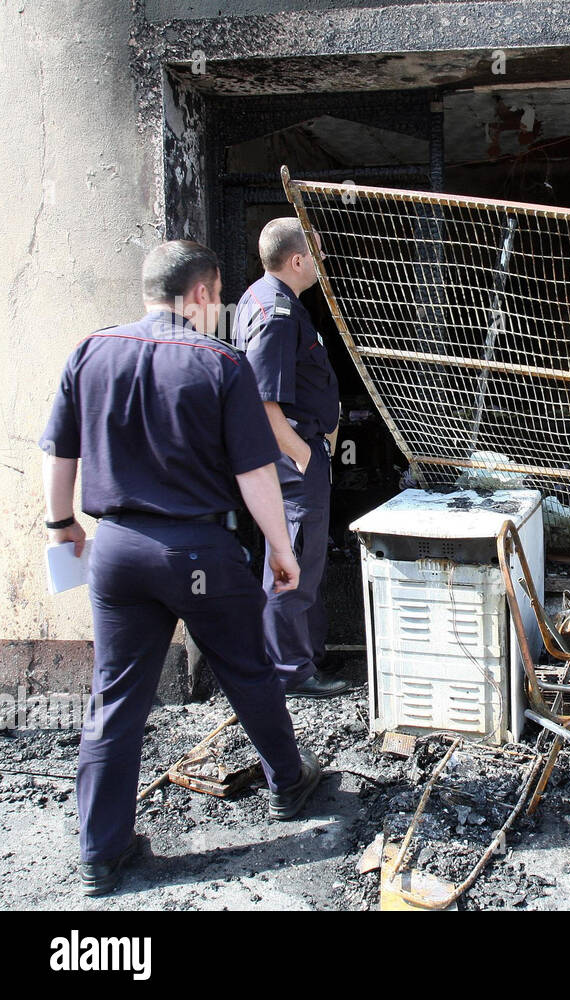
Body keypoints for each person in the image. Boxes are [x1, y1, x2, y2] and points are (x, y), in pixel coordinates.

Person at [40, 240, 323, 897]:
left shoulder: (89, 351)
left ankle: (101, 853)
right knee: (247, 670)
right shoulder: (219, 363)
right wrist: (282, 551)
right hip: (199, 555)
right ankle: (289, 782)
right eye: (217, 296)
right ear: (201, 292)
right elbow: (255, 472)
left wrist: (61, 527)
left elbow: (61, 451)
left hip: (117, 551)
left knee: (115, 697)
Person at [234, 219, 346, 698]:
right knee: (292, 559)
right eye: (316, 255)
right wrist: (302, 452)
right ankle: (291, 672)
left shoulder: (264, 300)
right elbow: (263, 401)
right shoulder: (277, 314)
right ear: (297, 260)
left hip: (293, 455)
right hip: (290, 459)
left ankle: (303, 657)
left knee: (301, 557)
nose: (321, 266)